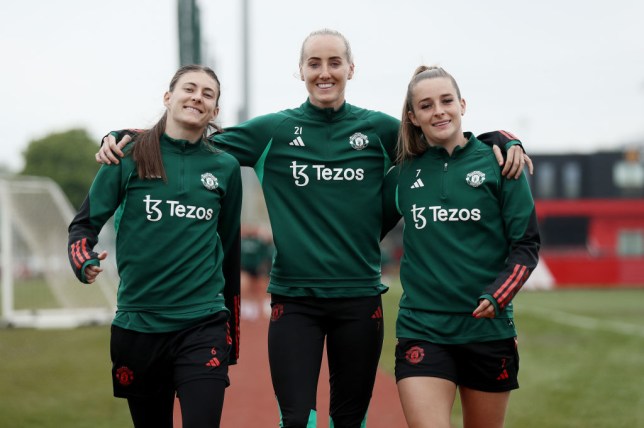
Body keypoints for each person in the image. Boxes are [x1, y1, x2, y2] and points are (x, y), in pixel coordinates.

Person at [96, 29, 531, 428]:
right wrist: (128, 135)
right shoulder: (273, 131)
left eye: (335, 62)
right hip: (294, 300)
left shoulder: (380, 130)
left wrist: (500, 139)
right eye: (315, 63)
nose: (325, 72)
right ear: (301, 71)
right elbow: (193, 139)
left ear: (350, 69)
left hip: (360, 300)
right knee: (297, 422)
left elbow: (443, 140)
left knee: (348, 422)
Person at [68, 64, 242, 428]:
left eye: (207, 94)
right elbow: (83, 225)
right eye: (189, 88)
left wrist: (232, 333)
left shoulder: (225, 166)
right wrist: (84, 260)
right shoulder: (127, 153)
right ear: (168, 97)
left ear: (214, 111)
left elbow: (228, 250)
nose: (197, 96)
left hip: (202, 322)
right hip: (138, 324)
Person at [381, 65, 540, 428]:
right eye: (426, 105)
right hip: (423, 328)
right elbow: (361, 232)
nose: (438, 110)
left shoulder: (500, 162)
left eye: (446, 100)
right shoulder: (404, 173)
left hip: (488, 331)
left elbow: (526, 244)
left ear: (462, 104)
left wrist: (499, 295)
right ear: (413, 117)